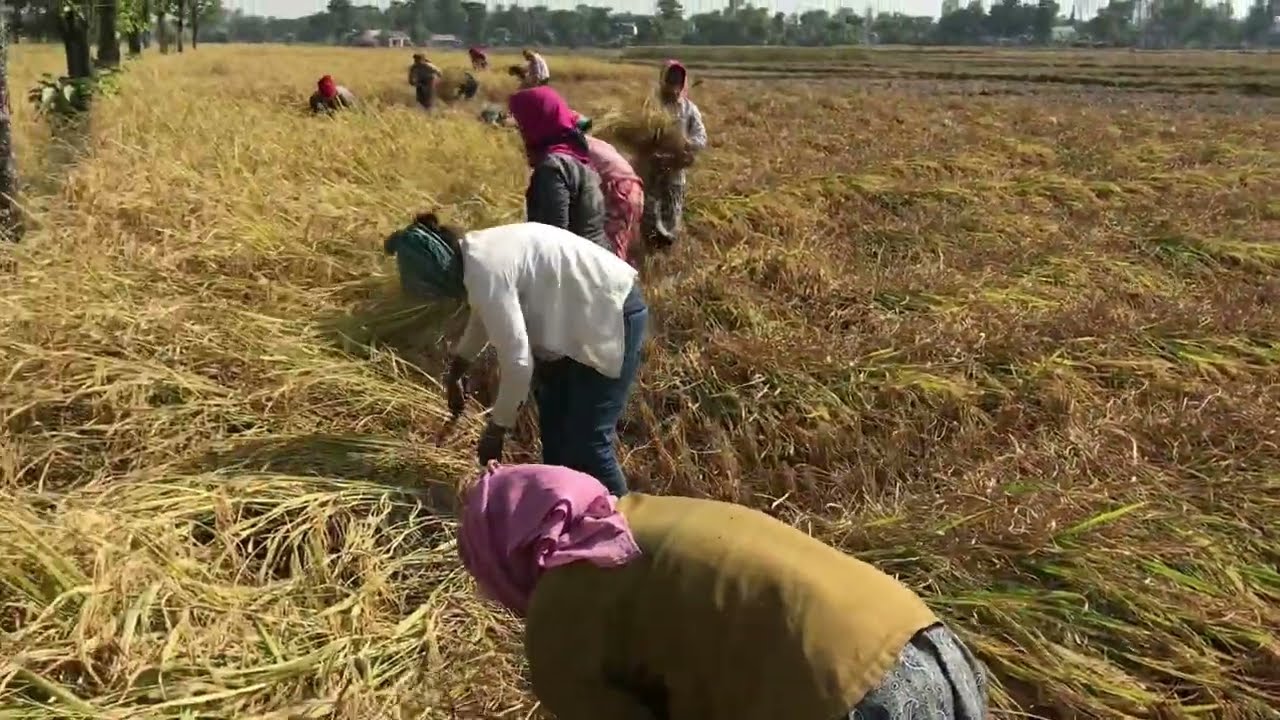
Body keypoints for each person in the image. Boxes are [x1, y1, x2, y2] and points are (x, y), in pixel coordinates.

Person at [457, 463, 991, 720]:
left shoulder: (558, 612)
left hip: (842, 699)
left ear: (501, 553)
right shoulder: (649, 512)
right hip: (928, 647)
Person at [383, 215, 647, 496]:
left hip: (613, 310)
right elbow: (485, 314)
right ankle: (566, 508)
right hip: (582, 315)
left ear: (440, 274)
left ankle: (624, 518)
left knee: (588, 441)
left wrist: (497, 429)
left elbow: (519, 364)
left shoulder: (486, 271)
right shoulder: (478, 253)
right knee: (555, 431)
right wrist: (458, 368)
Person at [508, 86, 609, 253]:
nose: (516, 133)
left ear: (535, 122)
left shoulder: (553, 168)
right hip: (597, 259)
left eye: (520, 125)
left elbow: (553, 242)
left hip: (578, 263)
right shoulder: (577, 156)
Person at [644, 60, 707, 250]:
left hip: (675, 174)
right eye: (671, 79)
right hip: (651, 172)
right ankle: (647, 252)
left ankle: (664, 255)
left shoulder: (689, 109)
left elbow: (701, 137)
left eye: (678, 80)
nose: (674, 84)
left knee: (670, 219)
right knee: (648, 217)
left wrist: (686, 144)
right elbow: (639, 134)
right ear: (663, 79)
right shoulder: (650, 106)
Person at [573, 113, 643, 264]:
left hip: (620, 192)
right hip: (633, 189)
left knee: (611, 251)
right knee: (623, 240)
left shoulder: (578, 148)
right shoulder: (599, 144)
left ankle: (617, 276)